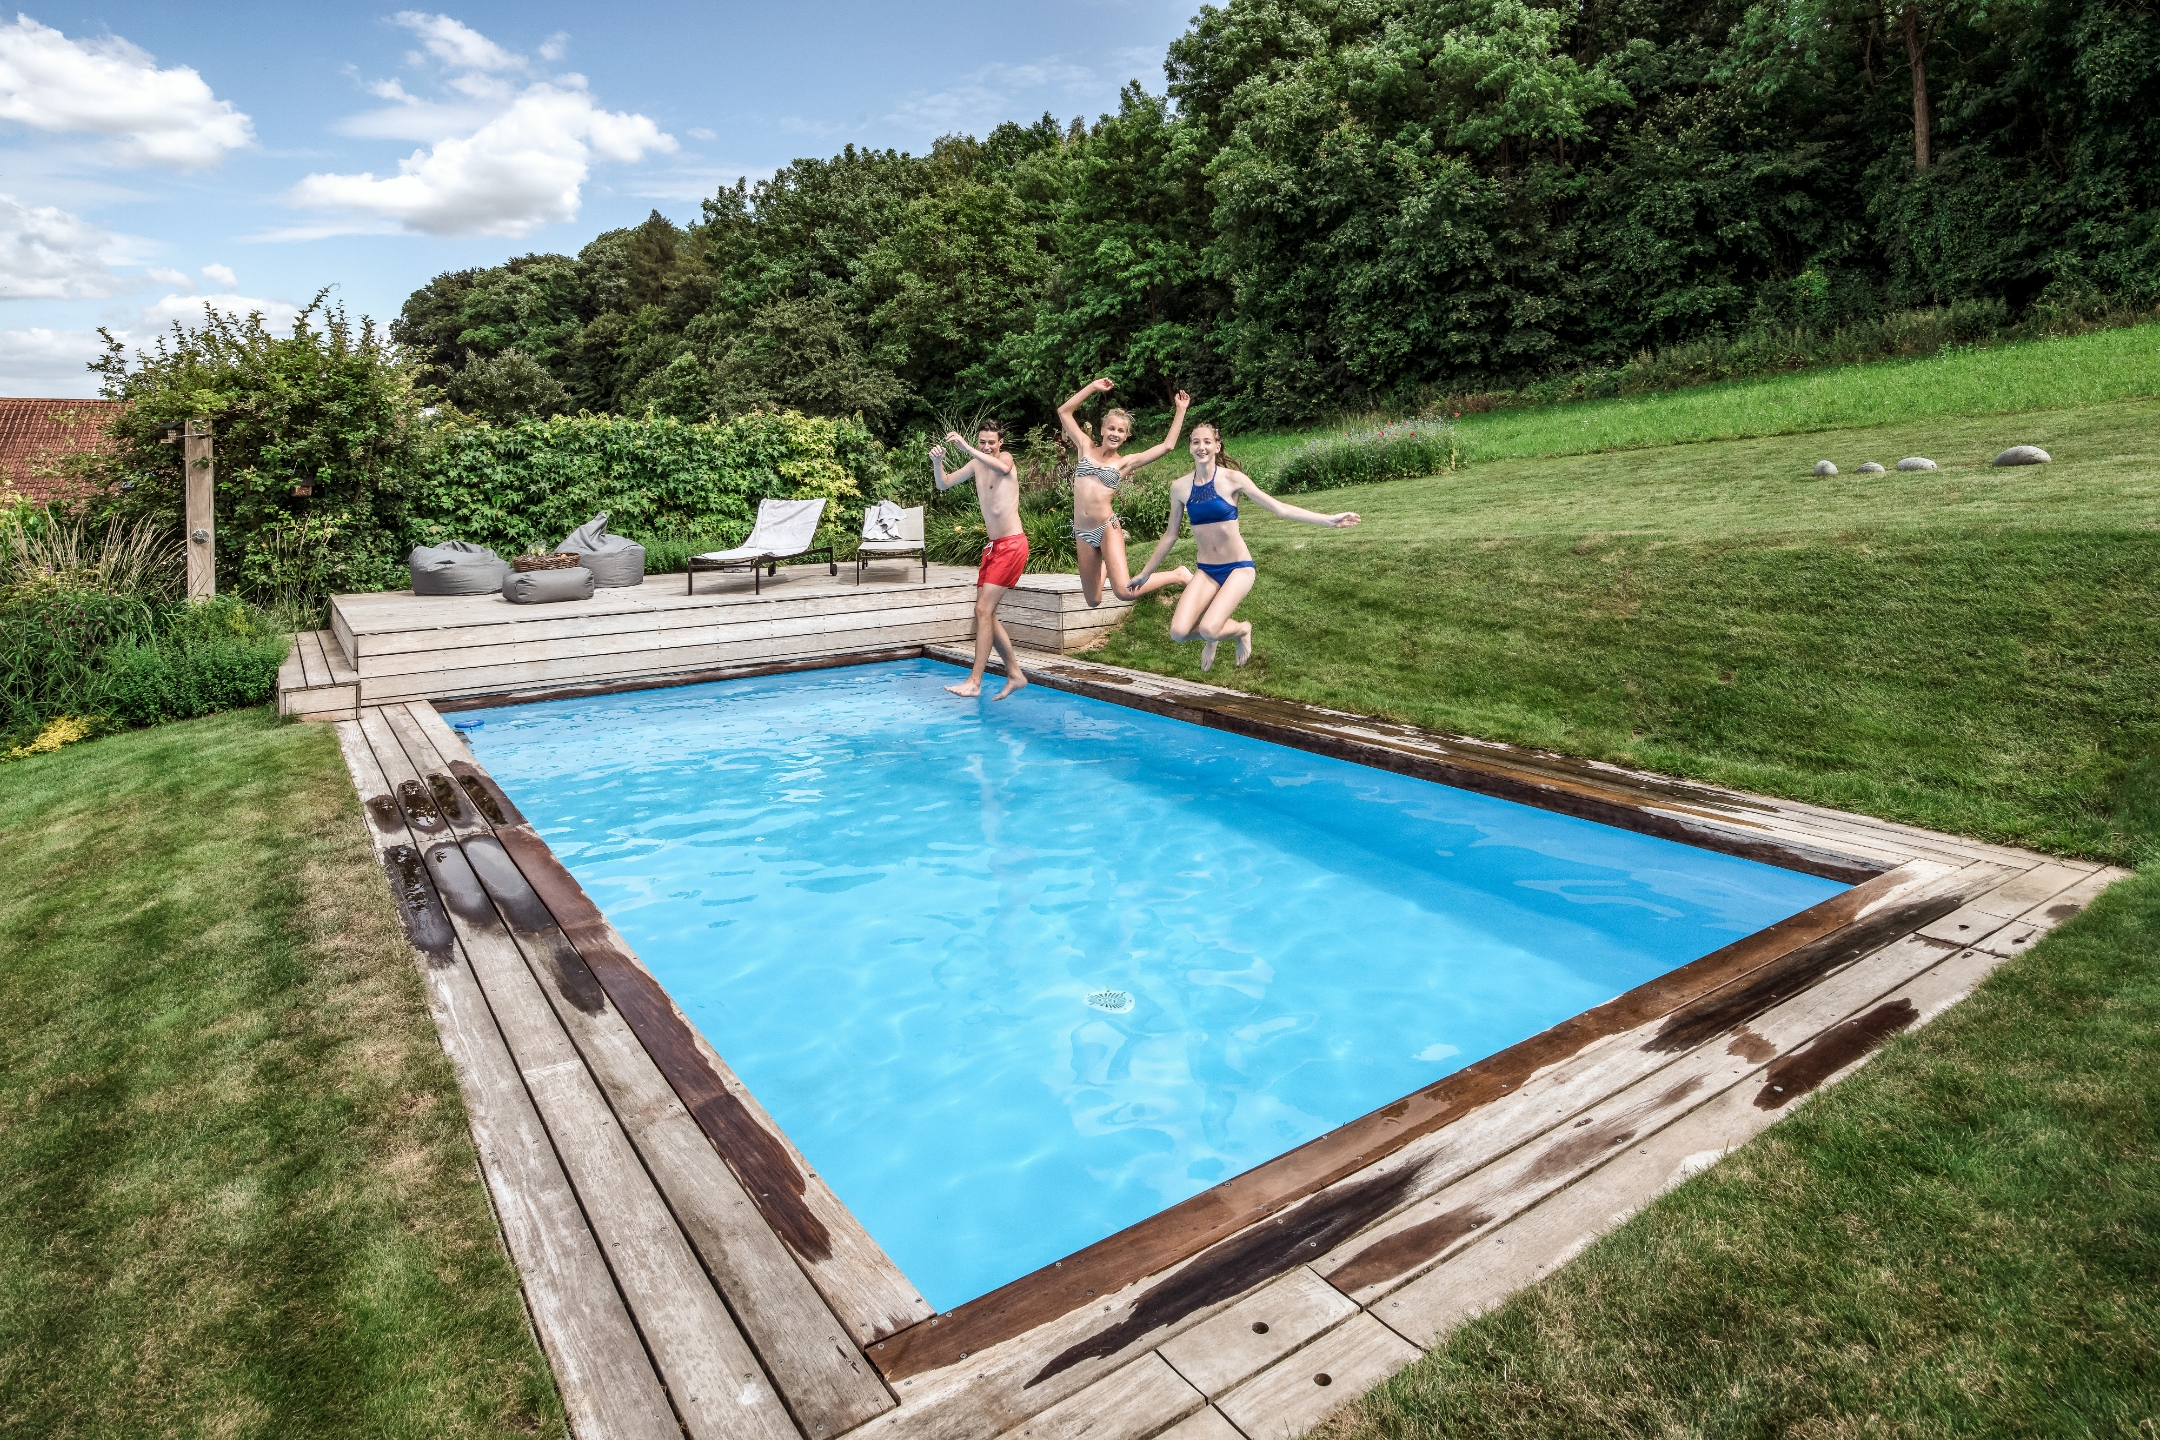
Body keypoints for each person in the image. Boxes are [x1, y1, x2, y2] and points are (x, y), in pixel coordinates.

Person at [1129, 422, 1361, 670]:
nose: (1201, 447)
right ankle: (1214, 636)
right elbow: (1170, 535)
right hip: (1206, 570)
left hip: (1238, 567)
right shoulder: (1180, 488)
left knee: (1208, 628)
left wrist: (1328, 519)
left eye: (1207, 441)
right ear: (1189, 448)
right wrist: (1146, 573)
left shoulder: (1232, 480)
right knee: (1178, 632)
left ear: (1217, 446)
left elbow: (1279, 509)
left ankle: (1241, 629)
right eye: (1196, 442)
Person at [1056, 378, 1196, 607]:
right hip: (1082, 531)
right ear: (1102, 429)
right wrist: (1093, 387)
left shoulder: (1126, 463)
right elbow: (1064, 411)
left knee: (1124, 591)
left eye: (1121, 431)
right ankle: (1106, 564)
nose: (1115, 433)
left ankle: (1178, 575)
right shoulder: (1084, 446)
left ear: (1126, 436)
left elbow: (1167, 446)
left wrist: (1180, 410)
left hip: (1106, 528)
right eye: (1111, 428)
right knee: (1092, 600)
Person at [931, 420, 1029, 700]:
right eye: (982, 441)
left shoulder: (1005, 459)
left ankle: (975, 681)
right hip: (993, 547)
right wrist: (938, 463)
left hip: (1011, 545)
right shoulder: (976, 465)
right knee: (984, 612)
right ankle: (1015, 674)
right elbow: (944, 484)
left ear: (1000, 443)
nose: (987, 446)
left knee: (983, 611)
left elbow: (1004, 468)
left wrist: (966, 446)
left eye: (991, 442)